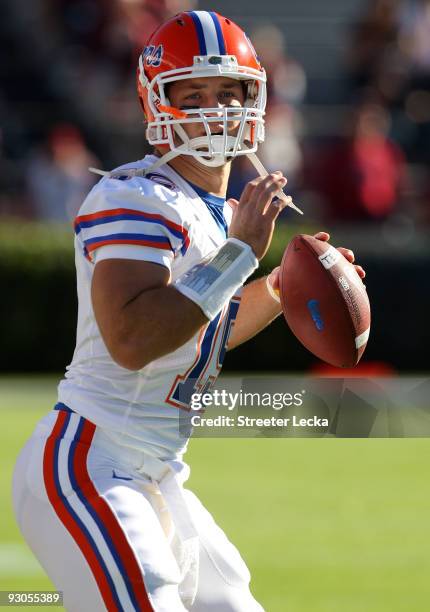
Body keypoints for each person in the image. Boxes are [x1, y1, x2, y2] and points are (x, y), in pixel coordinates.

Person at [12, 11, 365, 612]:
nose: (216, 108)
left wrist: (277, 287)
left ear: (255, 97)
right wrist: (239, 256)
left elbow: (200, 332)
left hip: (157, 469)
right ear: (156, 102)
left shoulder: (220, 215)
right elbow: (132, 337)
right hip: (92, 461)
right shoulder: (133, 194)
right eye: (193, 93)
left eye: (229, 92)